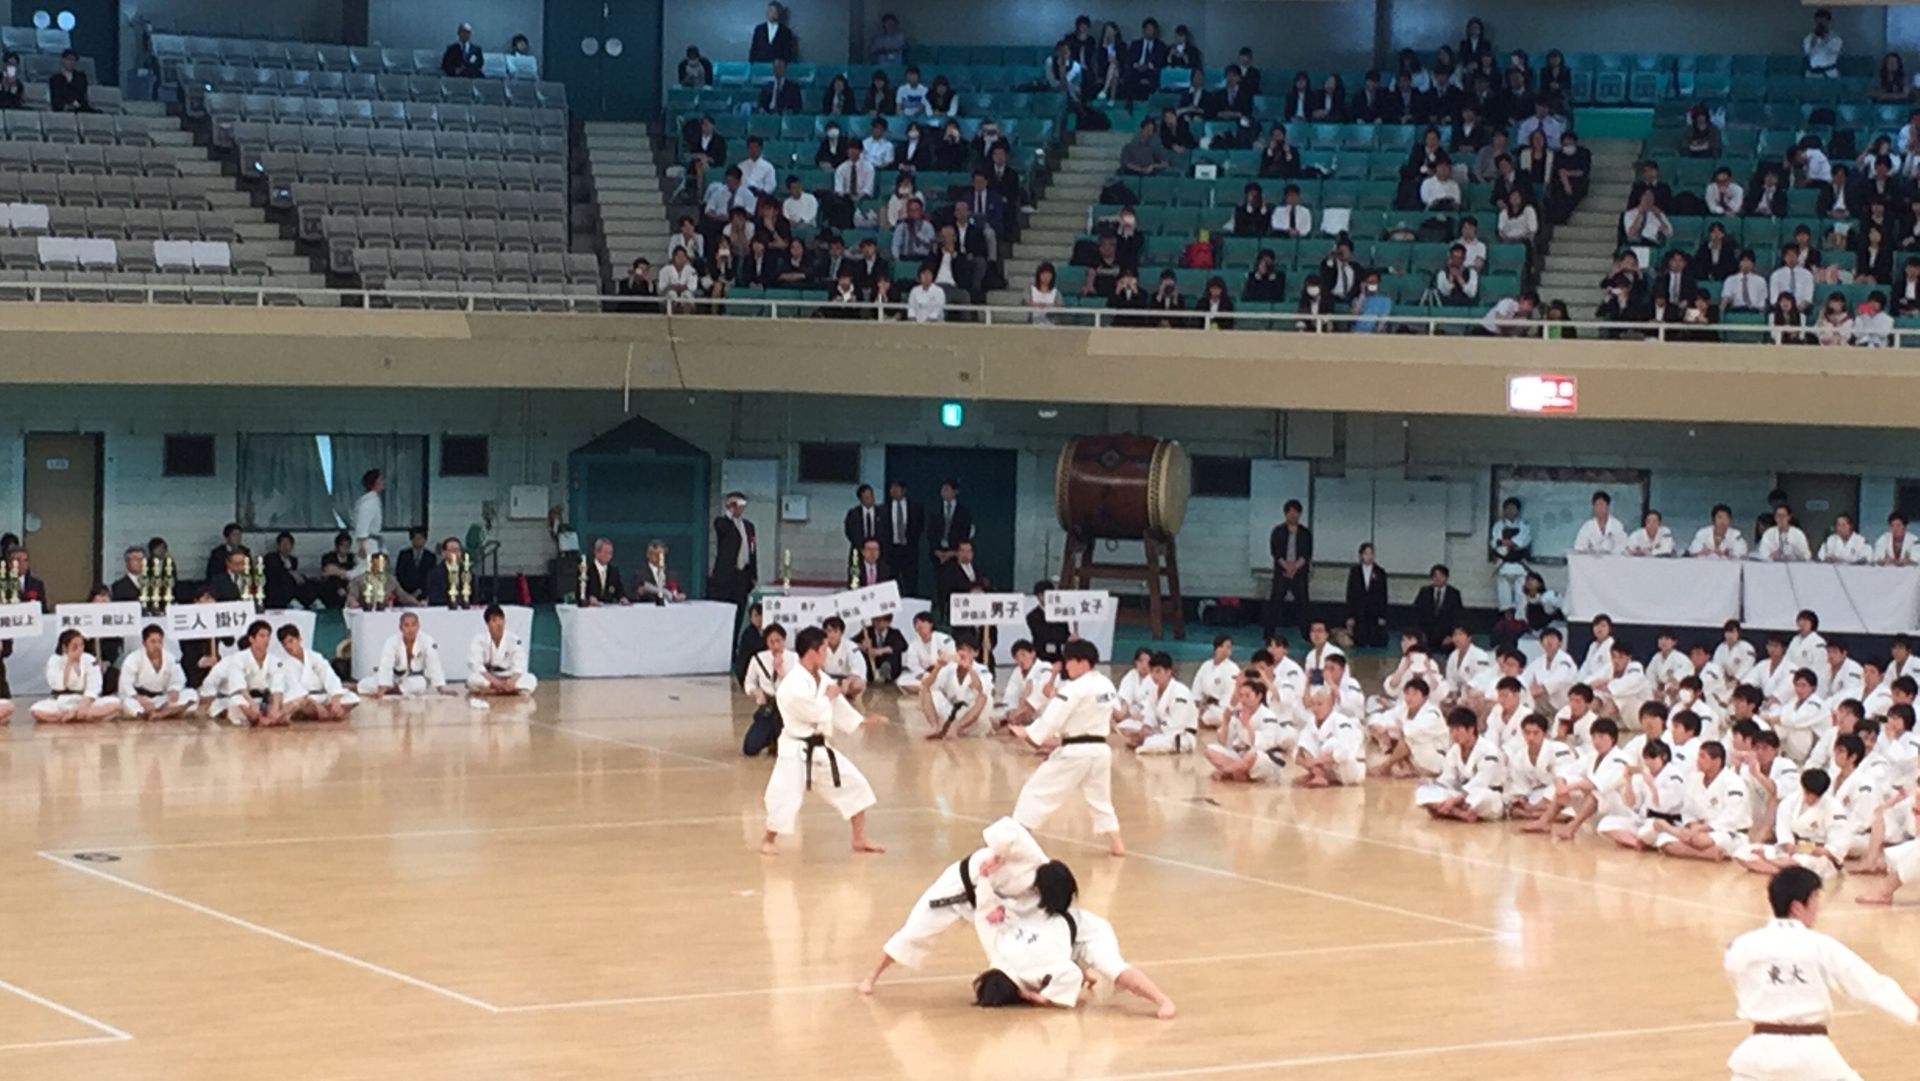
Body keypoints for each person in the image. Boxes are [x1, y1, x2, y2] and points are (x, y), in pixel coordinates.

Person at [1726, 868, 1920, 1081]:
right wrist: (1907, 1003)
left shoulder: (1740, 946)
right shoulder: (1819, 945)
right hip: (1812, 1054)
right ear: (1797, 907)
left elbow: (1740, 983)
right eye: (1815, 899)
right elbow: (1864, 985)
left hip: (1758, 1054)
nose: (1818, 908)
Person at [859, 815, 1046, 995]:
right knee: (915, 930)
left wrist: (1001, 908)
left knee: (1011, 941)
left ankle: (1023, 982)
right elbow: (1006, 827)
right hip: (958, 884)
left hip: (987, 898)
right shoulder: (1034, 857)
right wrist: (998, 855)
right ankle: (871, 977)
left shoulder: (1039, 896)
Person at [760, 626, 888, 856]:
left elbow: (837, 706)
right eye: (824, 649)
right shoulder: (792, 684)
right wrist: (828, 696)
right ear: (813, 652)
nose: (827, 654)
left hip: (820, 748)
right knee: (784, 795)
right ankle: (768, 839)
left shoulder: (822, 678)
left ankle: (859, 838)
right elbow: (813, 712)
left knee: (855, 783)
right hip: (795, 749)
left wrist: (861, 721)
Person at [1009, 640, 1125, 856]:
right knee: (1100, 800)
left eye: (1070, 661)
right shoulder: (1106, 684)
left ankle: (1017, 839)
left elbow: (1052, 719)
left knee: (1035, 791)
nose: (1067, 666)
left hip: (1075, 752)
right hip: (1100, 751)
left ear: (1083, 662)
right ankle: (1116, 845)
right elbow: (1115, 710)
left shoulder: (1075, 689)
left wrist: (1028, 732)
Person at [1415, 709, 1507, 822]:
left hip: (1488, 796)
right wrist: (1432, 782)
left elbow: (1481, 783)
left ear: (1471, 729)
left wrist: (1454, 800)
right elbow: (1447, 780)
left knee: (1482, 797)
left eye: (1458, 729)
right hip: (1461, 796)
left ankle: (1448, 810)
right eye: (1451, 730)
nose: (1454, 734)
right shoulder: (1454, 751)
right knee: (1423, 790)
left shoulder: (1489, 750)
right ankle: (1459, 813)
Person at [204, 620, 289, 727]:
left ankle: (271, 718)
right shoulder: (236, 659)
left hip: (262, 699)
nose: (266, 640)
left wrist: (275, 708)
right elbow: (238, 686)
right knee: (237, 700)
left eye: (268, 636)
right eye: (262, 636)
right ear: (251, 639)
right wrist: (251, 704)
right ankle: (259, 719)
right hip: (240, 698)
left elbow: (277, 686)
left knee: (287, 698)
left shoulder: (275, 661)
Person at [276, 623, 357, 721]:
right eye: (284, 644)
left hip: (321, 696)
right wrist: (316, 705)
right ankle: (325, 713)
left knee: (352, 698)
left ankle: (327, 712)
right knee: (293, 704)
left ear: (299, 639)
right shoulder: (284, 665)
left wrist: (335, 700)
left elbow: (329, 676)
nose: (288, 646)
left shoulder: (314, 656)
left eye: (291, 641)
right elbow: (296, 690)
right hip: (304, 700)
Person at [359, 612, 449, 698]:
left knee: (420, 684)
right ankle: (388, 689)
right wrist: (383, 687)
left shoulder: (427, 641)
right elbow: (386, 665)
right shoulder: (392, 642)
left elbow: (434, 664)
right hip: (394, 676)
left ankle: (393, 690)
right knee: (366, 685)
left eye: (413, 625)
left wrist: (441, 687)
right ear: (400, 627)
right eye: (406, 625)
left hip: (415, 677)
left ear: (418, 626)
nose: (410, 629)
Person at [119, 624, 195, 720]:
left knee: (191, 695)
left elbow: (179, 678)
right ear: (144, 643)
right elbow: (125, 684)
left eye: (159, 641)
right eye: (153, 642)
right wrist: (139, 698)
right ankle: (161, 713)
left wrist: (174, 689)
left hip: (163, 699)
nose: (157, 645)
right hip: (141, 699)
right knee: (127, 703)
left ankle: (160, 714)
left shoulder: (170, 658)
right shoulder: (133, 658)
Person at [922, 635, 989, 739]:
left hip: (970, 717)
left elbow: (980, 689)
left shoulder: (981, 670)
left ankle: (956, 729)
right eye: (961, 649)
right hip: (951, 712)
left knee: (983, 696)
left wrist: (969, 668)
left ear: (975, 653)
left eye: (968, 650)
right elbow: (927, 684)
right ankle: (935, 727)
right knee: (926, 689)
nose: (964, 653)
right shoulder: (950, 667)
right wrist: (938, 666)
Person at [1264, 499, 1311, 638]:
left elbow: (1307, 554)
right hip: (1281, 572)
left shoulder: (1305, 533)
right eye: (1290, 512)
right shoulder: (1278, 531)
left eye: (1296, 512)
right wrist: (1286, 566)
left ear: (1300, 514)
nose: (1293, 515)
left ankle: (1306, 634)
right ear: (1285, 514)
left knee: (1303, 605)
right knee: (1275, 603)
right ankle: (1268, 633)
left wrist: (1295, 567)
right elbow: (1275, 552)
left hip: (1299, 573)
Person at [467, 605, 535, 697]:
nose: (499, 624)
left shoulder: (513, 639)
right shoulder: (479, 640)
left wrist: (512, 681)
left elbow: (520, 664)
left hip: (509, 675)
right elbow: (476, 665)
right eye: (494, 621)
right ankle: (511, 691)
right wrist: (495, 682)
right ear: (487, 624)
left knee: (531, 679)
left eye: (501, 619)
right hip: (490, 676)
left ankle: (496, 690)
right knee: (472, 679)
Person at [708, 492, 758, 609]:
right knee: (725, 607)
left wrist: (753, 575)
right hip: (727, 575)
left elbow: (752, 550)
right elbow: (722, 529)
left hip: (743, 575)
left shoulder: (749, 526)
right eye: (735, 504)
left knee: (740, 606)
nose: (739, 508)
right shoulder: (722, 522)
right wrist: (730, 511)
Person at [1489, 498, 1531, 616]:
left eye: (1513, 508)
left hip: (1520, 565)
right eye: (1507, 508)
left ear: (1518, 510)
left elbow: (1523, 541)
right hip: (1503, 565)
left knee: (1521, 597)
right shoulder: (1498, 525)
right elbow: (1495, 542)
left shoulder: (1524, 525)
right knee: (1504, 597)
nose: (1510, 511)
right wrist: (1505, 544)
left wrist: (1508, 542)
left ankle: (1520, 621)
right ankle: (1507, 620)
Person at [1803, 7, 1844, 78]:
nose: (1821, 23)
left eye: (1824, 21)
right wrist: (1815, 38)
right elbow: (1807, 52)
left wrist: (1823, 38)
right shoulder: (1809, 38)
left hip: (1829, 73)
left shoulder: (1835, 38)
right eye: (1818, 21)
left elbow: (1833, 50)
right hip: (1813, 73)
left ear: (1828, 22)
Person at [353, 469, 385, 559]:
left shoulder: (374, 500)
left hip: (373, 543)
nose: (383, 482)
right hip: (368, 545)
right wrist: (361, 546)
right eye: (381, 480)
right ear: (374, 483)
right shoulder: (368, 503)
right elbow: (362, 524)